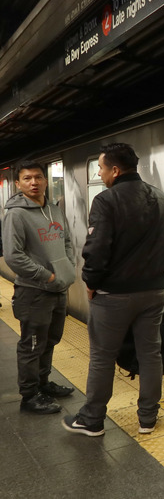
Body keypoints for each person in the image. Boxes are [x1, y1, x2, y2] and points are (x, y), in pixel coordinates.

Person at [62, 143, 164, 436]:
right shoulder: (162, 199)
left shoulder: (106, 200)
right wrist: (156, 277)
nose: (99, 174)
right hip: (154, 292)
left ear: (114, 169)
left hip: (112, 296)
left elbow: (97, 250)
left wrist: (91, 281)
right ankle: (148, 418)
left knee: (102, 355)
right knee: (151, 353)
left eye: (100, 168)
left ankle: (92, 419)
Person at [3, 160, 76, 414]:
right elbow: (13, 256)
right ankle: (29, 395)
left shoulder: (55, 210)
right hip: (34, 291)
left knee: (50, 340)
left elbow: (67, 240)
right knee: (32, 344)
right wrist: (47, 276)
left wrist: (68, 268)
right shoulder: (16, 214)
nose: (33, 182)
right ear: (18, 183)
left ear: (46, 180)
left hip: (58, 290)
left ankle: (44, 383)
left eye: (37, 177)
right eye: (27, 178)